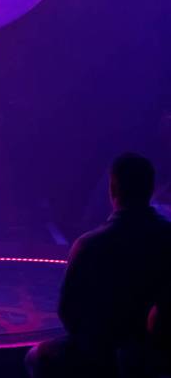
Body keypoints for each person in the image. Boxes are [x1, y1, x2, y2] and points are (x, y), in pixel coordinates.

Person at [26, 153, 171, 378]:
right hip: (155, 352)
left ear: (112, 189)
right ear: (151, 189)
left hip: (101, 354)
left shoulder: (90, 244)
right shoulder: (167, 238)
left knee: (36, 357)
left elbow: (68, 312)